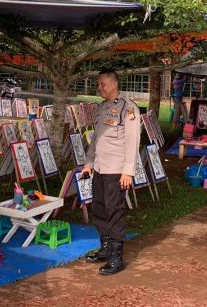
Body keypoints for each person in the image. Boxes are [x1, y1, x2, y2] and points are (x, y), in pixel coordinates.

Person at [81, 69, 141, 276]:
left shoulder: (128, 108)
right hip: (99, 168)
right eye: (98, 84)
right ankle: (105, 249)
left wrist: (128, 172)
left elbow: (132, 141)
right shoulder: (102, 108)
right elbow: (96, 139)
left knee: (114, 212)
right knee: (99, 208)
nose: (99, 88)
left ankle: (117, 259)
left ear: (114, 84)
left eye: (102, 84)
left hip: (117, 171)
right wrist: (88, 163)